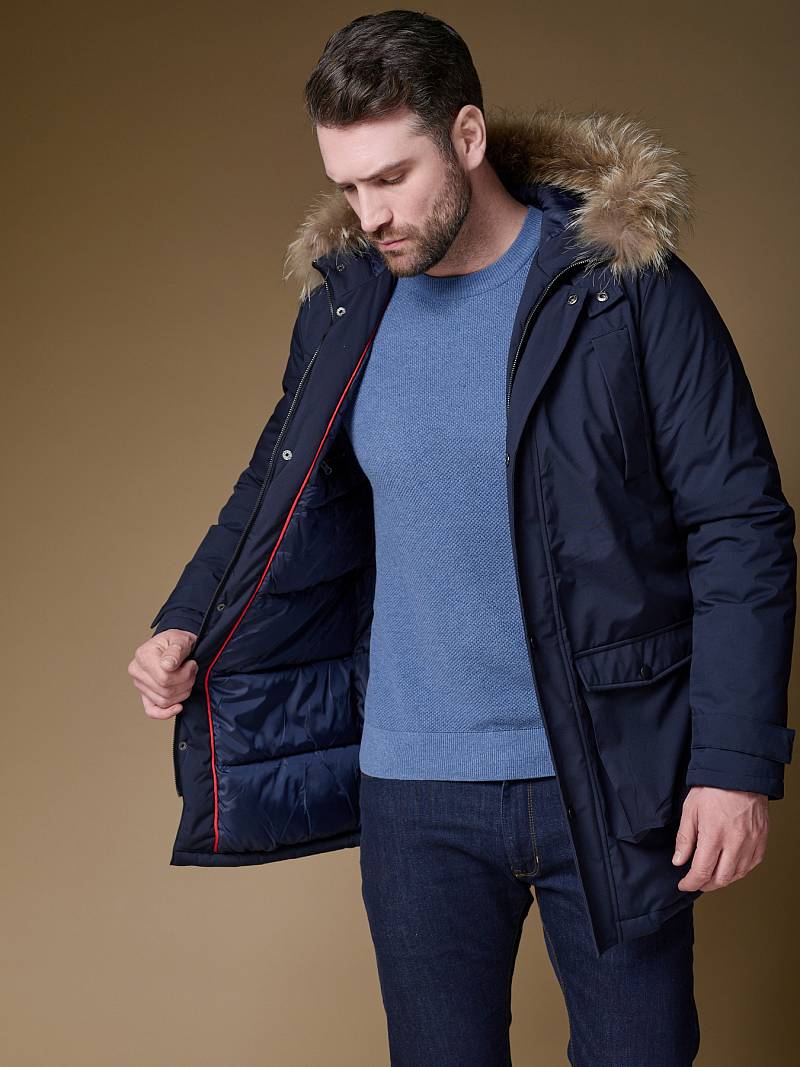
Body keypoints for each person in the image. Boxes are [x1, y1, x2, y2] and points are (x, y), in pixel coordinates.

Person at [127, 10, 796, 1065]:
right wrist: (183, 620)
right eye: (348, 186)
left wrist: (733, 762)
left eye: (392, 178)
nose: (370, 215)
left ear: (468, 137)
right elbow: (276, 487)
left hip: (608, 775)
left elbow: (739, 523)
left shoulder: (622, 289)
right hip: (414, 791)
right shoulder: (345, 308)